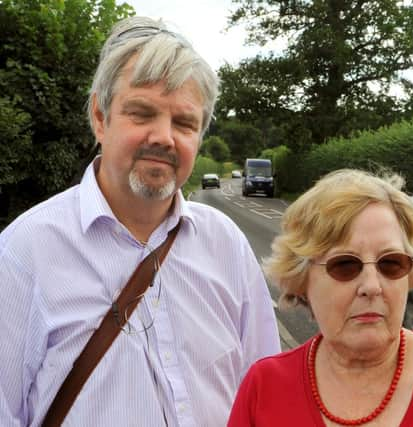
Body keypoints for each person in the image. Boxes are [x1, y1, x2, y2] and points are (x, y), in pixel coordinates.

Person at [0, 16, 280, 426]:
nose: (164, 137)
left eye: (185, 123)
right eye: (141, 113)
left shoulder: (226, 244)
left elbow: (266, 396)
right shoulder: (23, 254)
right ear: (100, 117)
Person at [228, 169, 413, 426]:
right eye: (345, 265)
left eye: (390, 263)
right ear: (301, 279)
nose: (372, 285)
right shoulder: (264, 388)